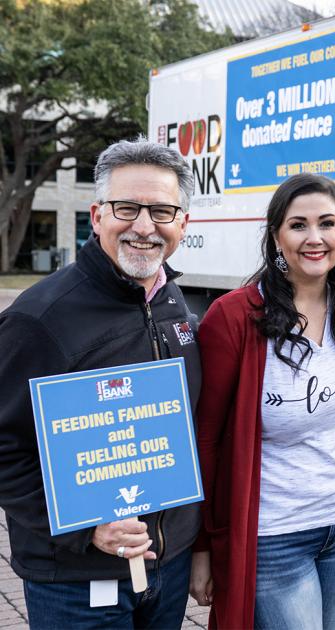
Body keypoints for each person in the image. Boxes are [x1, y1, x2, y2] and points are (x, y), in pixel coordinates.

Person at [0, 138, 200, 628]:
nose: (144, 226)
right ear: (97, 215)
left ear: (183, 223)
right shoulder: (39, 318)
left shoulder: (174, 303)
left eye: (161, 211)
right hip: (76, 579)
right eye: (127, 208)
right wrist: (85, 530)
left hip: (166, 569)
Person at [188, 173, 335, 630]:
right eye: (298, 225)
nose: (314, 238)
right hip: (273, 535)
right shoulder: (234, 316)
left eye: (327, 224)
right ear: (276, 236)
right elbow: (207, 439)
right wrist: (204, 544)